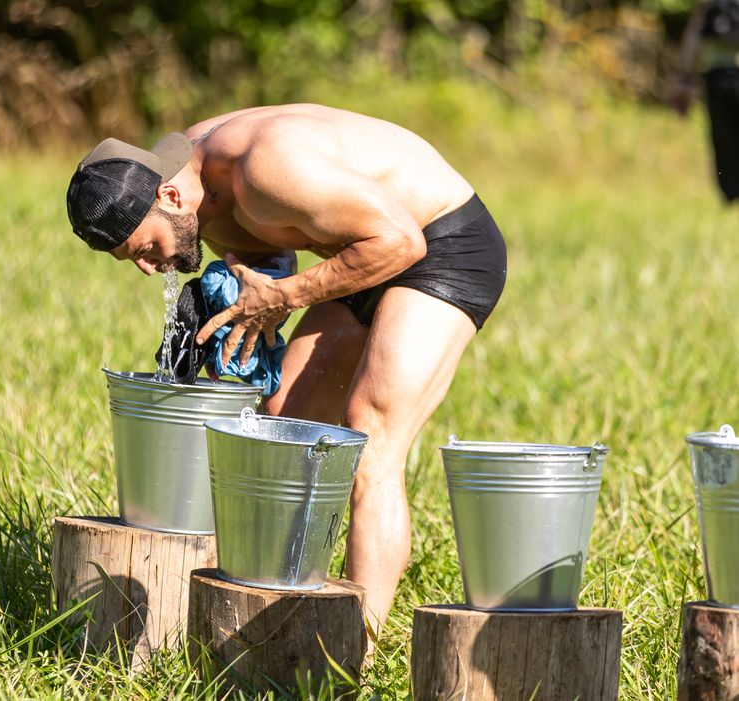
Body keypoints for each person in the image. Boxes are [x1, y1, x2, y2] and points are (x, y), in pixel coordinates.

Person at [65, 104, 507, 643]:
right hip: (361, 256)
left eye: (146, 248)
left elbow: (399, 243)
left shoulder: (263, 168)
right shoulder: (188, 182)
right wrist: (219, 299)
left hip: (439, 246)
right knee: (286, 424)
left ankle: (355, 649)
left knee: (370, 438)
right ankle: (283, 613)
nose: (148, 267)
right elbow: (276, 247)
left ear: (170, 196)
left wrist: (282, 297)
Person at [671, 0, 739, 203]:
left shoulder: (710, 5)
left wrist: (684, 79)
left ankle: (733, 194)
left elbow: (693, 36)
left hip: (716, 79)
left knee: (725, 143)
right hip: (721, 78)